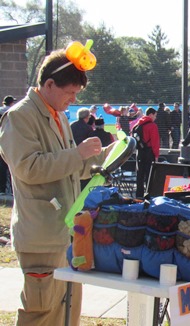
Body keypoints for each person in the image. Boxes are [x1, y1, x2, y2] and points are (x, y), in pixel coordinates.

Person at [0, 47, 109, 326]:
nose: (73, 101)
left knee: (68, 310)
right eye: (70, 93)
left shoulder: (58, 115)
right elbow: (28, 168)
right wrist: (78, 154)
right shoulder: (19, 117)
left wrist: (107, 155)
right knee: (40, 314)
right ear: (49, 84)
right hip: (40, 236)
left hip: (64, 232)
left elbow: (71, 166)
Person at [132, 107, 159, 198]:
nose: (155, 118)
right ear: (151, 114)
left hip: (139, 152)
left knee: (140, 175)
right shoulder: (152, 126)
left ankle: (138, 195)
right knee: (149, 175)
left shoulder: (137, 124)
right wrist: (156, 155)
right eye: (155, 116)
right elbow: (155, 142)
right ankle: (148, 195)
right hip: (149, 153)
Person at [0, 95, 16, 193]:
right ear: (11, 103)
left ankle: (1, 189)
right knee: (10, 167)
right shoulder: (12, 113)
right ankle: (11, 189)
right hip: (9, 142)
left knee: (1, 167)